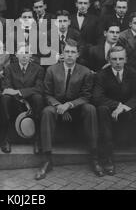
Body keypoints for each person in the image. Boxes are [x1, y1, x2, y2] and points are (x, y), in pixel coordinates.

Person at [36, 40, 102, 180]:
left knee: (90, 109)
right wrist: (59, 106)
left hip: (76, 108)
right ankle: (47, 159)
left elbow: (86, 96)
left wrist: (69, 105)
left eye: (73, 52)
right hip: (57, 107)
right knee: (47, 112)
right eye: (67, 51)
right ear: (62, 53)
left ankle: (94, 157)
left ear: (78, 54)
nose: (70, 55)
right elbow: (47, 94)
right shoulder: (52, 70)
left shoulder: (85, 72)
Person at [93, 46, 136, 175]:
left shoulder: (133, 73)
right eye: (114, 59)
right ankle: (107, 158)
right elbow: (97, 97)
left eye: (121, 58)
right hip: (111, 112)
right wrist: (117, 105)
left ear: (126, 59)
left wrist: (125, 107)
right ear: (109, 60)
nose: (117, 62)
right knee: (102, 109)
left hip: (129, 113)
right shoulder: (101, 75)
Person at [0, 45, 45, 154]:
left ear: (30, 55)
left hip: (31, 100)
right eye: (22, 52)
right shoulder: (9, 68)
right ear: (16, 54)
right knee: (5, 98)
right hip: (15, 101)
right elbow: (6, 87)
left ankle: (37, 140)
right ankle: (6, 139)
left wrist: (19, 92)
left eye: (27, 53)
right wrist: (16, 94)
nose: (24, 56)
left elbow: (39, 88)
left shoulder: (38, 69)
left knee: (38, 98)